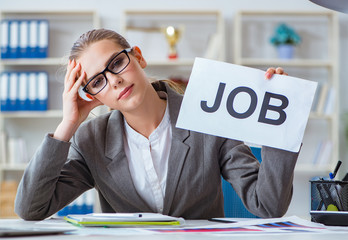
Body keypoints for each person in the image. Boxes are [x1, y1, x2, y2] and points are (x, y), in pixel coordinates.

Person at [15, 28, 299, 220]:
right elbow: (31, 208)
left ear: (138, 57)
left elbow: (268, 205)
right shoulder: (91, 140)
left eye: (116, 63)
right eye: (98, 81)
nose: (114, 80)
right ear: (93, 95)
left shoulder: (207, 119)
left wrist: (275, 122)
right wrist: (68, 125)